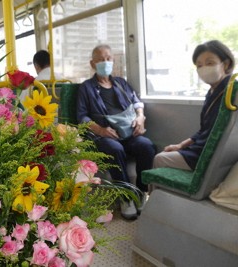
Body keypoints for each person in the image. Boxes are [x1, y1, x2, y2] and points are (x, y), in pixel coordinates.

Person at [76, 44, 156, 220]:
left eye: (108, 58)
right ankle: (126, 197)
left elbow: (137, 103)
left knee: (147, 146)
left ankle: (141, 192)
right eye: (100, 59)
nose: (105, 62)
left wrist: (140, 118)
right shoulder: (86, 88)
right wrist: (101, 130)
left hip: (128, 132)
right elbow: (82, 117)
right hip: (104, 135)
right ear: (92, 63)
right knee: (115, 149)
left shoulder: (121, 83)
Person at [153, 40, 235, 171]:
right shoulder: (214, 92)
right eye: (199, 65)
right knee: (167, 153)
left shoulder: (230, 93)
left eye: (210, 63)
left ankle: (152, 191)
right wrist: (180, 145)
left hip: (208, 155)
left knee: (160, 158)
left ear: (225, 64)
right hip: (204, 149)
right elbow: (204, 131)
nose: (204, 69)